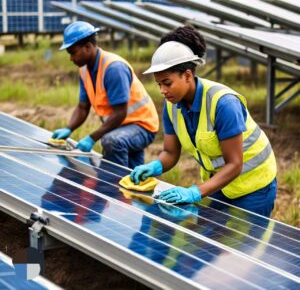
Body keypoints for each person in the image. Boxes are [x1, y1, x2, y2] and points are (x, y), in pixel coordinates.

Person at [130, 26, 277, 217]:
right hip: (219, 183)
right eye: (159, 84)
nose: (163, 91)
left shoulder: (224, 104)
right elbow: (170, 152)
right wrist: (155, 166)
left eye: (167, 83)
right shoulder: (171, 106)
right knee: (210, 239)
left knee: (245, 244)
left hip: (254, 186)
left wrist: (195, 192)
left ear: (188, 75)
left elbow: (235, 163)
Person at [52, 21, 159, 168]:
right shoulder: (84, 71)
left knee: (112, 141)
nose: (71, 58)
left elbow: (120, 113)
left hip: (141, 125)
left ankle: (113, 188)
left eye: (73, 52)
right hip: (120, 127)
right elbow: (83, 107)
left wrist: (91, 138)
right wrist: (69, 128)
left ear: (88, 47)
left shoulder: (114, 68)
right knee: (134, 172)